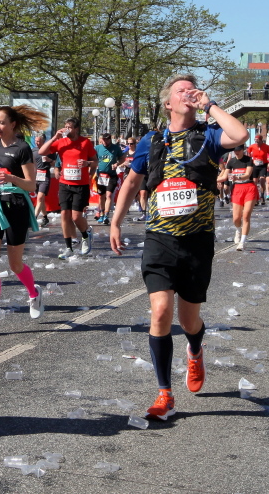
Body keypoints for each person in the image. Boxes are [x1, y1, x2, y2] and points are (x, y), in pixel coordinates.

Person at [110, 73, 248, 421]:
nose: (188, 93)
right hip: (160, 238)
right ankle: (164, 394)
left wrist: (210, 106)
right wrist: (115, 221)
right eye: (180, 90)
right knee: (159, 312)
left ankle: (196, 350)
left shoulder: (209, 136)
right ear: (168, 103)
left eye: (192, 89)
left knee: (189, 320)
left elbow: (240, 135)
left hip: (197, 241)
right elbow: (132, 181)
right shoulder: (152, 140)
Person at [0, 106, 48, 335]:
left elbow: (31, 184)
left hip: (15, 206)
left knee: (15, 265)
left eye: (1, 122)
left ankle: (34, 293)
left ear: (13, 124)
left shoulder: (22, 148)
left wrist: (11, 177)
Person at [39, 117, 97, 259]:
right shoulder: (61, 142)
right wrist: (55, 137)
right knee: (64, 215)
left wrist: (87, 163)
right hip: (65, 184)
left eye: (69, 127)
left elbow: (95, 161)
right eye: (65, 126)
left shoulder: (85, 142)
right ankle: (68, 248)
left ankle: (86, 234)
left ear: (76, 129)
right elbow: (42, 152)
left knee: (76, 216)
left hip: (80, 185)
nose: (66, 129)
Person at [219, 145, 256, 251]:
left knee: (246, 215)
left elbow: (248, 174)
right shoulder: (231, 162)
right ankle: (238, 230)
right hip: (237, 189)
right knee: (236, 218)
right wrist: (213, 180)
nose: (236, 152)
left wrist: (237, 177)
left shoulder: (248, 160)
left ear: (243, 150)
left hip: (249, 188)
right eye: (235, 150)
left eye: (239, 150)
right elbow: (224, 176)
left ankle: (242, 242)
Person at [94, 132, 124, 225]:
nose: (105, 141)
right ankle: (102, 214)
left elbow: (122, 158)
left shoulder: (116, 148)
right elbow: (92, 159)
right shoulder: (97, 148)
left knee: (109, 195)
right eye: (104, 139)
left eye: (107, 139)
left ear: (110, 139)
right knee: (101, 196)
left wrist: (117, 164)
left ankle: (106, 216)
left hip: (111, 175)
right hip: (101, 176)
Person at [33, 133, 55, 227]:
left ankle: (33, 219)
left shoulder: (50, 150)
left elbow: (55, 164)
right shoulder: (33, 150)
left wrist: (49, 160)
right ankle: (45, 217)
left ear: (43, 141)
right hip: (35, 177)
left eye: (39, 141)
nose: (37, 143)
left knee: (40, 198)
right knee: (40, 199)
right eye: (36, 141)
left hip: (45, 176)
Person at [246, 135, 269, 205]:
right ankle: (256, 197)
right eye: (255, 140)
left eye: (257, 140)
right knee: (254, 182)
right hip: (255, 165)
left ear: (261, 140)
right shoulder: (252, 146)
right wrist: (250, 162)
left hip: (263, 165)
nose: (256, 142)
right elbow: (248, 154)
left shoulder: (266, 147)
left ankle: (262, 196)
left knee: (262, 181)